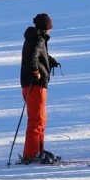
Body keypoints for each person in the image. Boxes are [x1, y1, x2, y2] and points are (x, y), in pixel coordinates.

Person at [20, 13, 60, 163]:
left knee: (40, 119)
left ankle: (38, 149)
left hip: (34, 85)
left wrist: (51, 61)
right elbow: (33, 58)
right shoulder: (37, 39)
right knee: (36, 120)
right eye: (50, 27)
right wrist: (36, 72)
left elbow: (40, 55)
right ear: (45, 28)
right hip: (35, 84)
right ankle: (31, 153)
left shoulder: (36, 38)